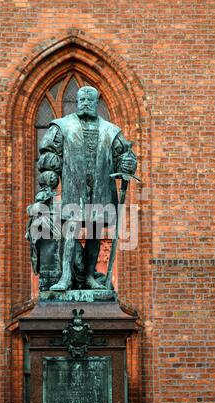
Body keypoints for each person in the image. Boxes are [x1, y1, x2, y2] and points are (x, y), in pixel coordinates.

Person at [37, 86, 137, 291]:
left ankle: (90, 276)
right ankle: (66, 276)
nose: (85, 103)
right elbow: (50, 157)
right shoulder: (63, 126)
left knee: (95, 233)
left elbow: (123, 157)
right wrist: (48, 184)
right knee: (70, 230)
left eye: (89, 100)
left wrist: (127, 163)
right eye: (81, 99)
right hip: (75, 188)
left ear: (96, 103)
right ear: (77, 101)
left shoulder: (111, 131)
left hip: (101, 189)